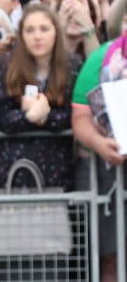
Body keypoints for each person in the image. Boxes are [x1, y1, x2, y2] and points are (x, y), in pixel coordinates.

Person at [0, 3, 82, 191]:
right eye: (30, 30)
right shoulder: (8, 65)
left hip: (56, 170)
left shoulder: (73, 65)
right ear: (21, 35)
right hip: (11, 170)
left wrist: (46, 117)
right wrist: (28, 117)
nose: (37, 36)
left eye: (44, 29)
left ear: (56, 32)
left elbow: (77, 115)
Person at [72, 34, 126, 282]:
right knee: (110, 257)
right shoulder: (101, 58)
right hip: (108, 174)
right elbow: (80, 115)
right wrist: (99, 143)